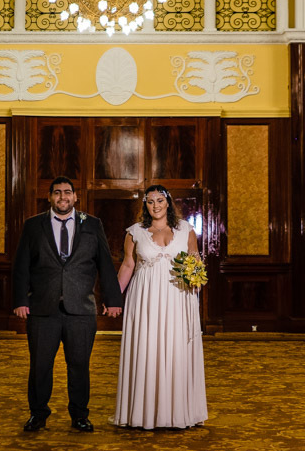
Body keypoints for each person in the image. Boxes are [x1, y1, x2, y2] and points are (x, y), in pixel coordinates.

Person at [12, 176, 123, 433]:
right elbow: (21, 267)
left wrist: (113, 300)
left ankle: (80, 415)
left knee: (79, 366)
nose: (63, 197)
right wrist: (20, 300)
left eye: (68, 192)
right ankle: (38, 414)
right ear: (50, 197)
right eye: (57, 193)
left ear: (75, 197)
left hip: (81, 310)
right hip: (42, 310)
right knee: (40, 366)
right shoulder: (33, 225)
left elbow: (105, 263)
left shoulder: (92, 225)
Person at [112, 184, 208, 430]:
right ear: (145, 205)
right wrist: (114, 297)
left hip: (178, 297)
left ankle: (178, 411)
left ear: (168, 203)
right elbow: (127, 265)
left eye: (160, 201)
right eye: (150, 201)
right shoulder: (134, 232)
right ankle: (145, 413)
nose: (155, 205)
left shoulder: (185, 229)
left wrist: (196, 278)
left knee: (176, 349)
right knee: (148, 347)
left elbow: (195, 257)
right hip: (145, 299)